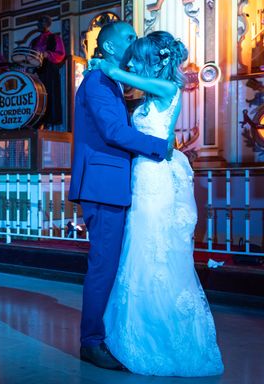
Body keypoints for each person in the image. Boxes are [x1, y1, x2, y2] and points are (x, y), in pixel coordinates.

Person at [93, 32, 224, 376]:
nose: (132, 63)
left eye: (138, 58)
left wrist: (104, 67)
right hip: (141, 178)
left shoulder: (170, 90)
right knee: (137, 251)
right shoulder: (150, 97)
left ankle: (159, 336)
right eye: (131, 58)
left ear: (154, 61)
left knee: (154, 251)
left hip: (155, 182)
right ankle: (134, 330)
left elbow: (121, 74)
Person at [68, 21, 173, 371]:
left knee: (111, 264)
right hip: (102, 186)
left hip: (111, 184)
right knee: (103, 265)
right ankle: (91, 342)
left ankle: (105, 333)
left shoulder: (110, 81)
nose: (136, 40)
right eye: (129, 37)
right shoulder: (98, 82)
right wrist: (161, 148)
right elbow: (113, 132)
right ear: (110, 48)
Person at [30, 15, 66, 128]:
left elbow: (61, 54)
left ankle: (49, 124)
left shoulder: (55, 38)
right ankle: (37, 120)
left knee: (50, 96)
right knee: (37, 96)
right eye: (39, 23)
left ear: (48, 24)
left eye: (42, 23)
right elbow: (29, 56)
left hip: (50, 71)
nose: (40, 25)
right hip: (37, 72)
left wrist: (47, 54)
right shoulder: (34, 41)